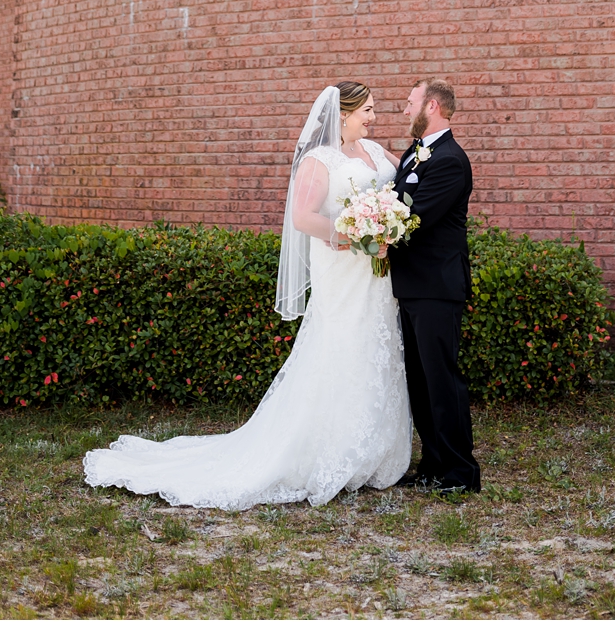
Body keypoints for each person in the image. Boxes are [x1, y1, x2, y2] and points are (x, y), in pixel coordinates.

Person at [83, 83, 411, 508]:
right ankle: (330, 452)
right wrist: (355, 236)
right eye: (366, 110)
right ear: (342, 113)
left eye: (374, 110)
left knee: (376, 347)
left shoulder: (374, 149)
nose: (373, 117)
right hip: (344, 268)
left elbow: (405, 176)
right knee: (342, 348)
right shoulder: (318, 160)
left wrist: (389, 223)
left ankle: (373, 452)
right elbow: (302, 216)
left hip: (375, 275)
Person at [389, 78, 481, 493]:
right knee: (419, 380)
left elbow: (416, 217)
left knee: (442, 380)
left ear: (432, 106)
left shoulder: (449, 160)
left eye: (410, 103)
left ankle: (461, 473)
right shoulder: (416, 152)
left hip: (437, 286)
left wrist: (373, 232)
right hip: (412, 285)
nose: (405, 110)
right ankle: (433, 464)